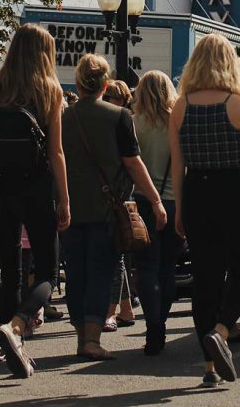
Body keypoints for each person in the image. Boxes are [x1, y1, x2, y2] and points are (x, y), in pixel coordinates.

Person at [169, 34, 240, 387]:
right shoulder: (239, 104)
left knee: (206, 280)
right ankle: (222, 329)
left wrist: (180, 209)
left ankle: (208, 368)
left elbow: (177, 165)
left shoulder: (180, 106)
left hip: (196, 193)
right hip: (231, 190)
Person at [0, 24, 71, 380]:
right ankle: (15, 326)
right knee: (46, 269)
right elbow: (56, 152)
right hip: (37, 187)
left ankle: (8, 331)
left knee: (8, 264)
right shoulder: (49, 90)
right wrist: (64, 199)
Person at [61, 54, 167, 362]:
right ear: (105, 85)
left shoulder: (63, 117)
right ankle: (91, 340)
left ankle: (82, 336)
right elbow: (133, 163)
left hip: (69, 208)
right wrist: (156, 201)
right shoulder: (119, 116)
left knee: (76, 274)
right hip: (107, 209)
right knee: (100, 271)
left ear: (78, 83)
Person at [132, 70, 183, 355]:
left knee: (146, 268)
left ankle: (154, 327)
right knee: (167, 267)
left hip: (142, 202)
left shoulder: (134, 123)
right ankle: (161, 320)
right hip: (174, 201)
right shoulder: (177, 122)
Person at [103, 78, 136, 331]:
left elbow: (130, 159)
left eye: (113, 96)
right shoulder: (117, 117)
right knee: (119, 253)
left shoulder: (123, 119)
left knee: (116, 253)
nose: (108, 100)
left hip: (120, 190)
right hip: (116, 188)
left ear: (123, 99)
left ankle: (110, 312)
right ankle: (126, 309)